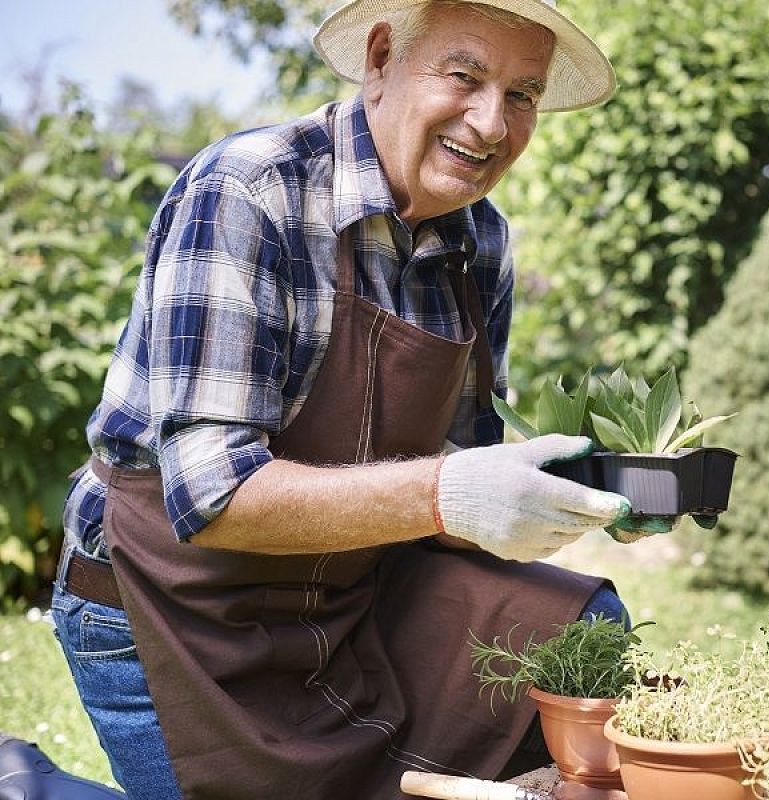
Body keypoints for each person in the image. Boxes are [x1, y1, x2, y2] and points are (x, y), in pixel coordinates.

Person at [51, 2, 668, 797]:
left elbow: (463, 475)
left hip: (352, 588)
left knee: (582, 629)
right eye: (465, 76)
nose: (490, 124)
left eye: (522, 94)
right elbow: (212, 495)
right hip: (169, 606)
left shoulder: (480, 241)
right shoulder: (251, 192)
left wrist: (581, 492)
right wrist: (449, 492)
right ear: (380, 60)